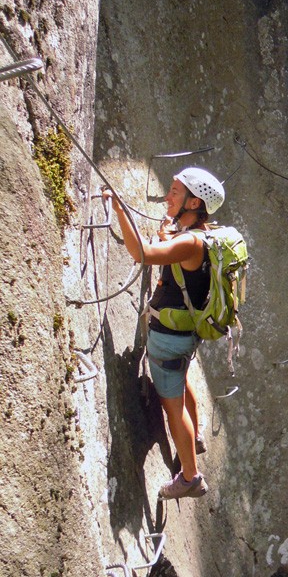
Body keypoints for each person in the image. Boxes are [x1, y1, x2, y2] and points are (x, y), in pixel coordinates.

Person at [104, 167, 226, 500]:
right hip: (184, 337)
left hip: (169, 339)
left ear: (193, 201)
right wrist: (166, 238)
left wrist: (119, 210)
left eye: (174, 191)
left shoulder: (188, 242)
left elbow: (141, 255)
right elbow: (182, 260)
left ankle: (190, 478)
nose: (167, 196)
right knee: (182, 379)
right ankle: (195, 436)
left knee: (173, 408)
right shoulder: (204, 236)